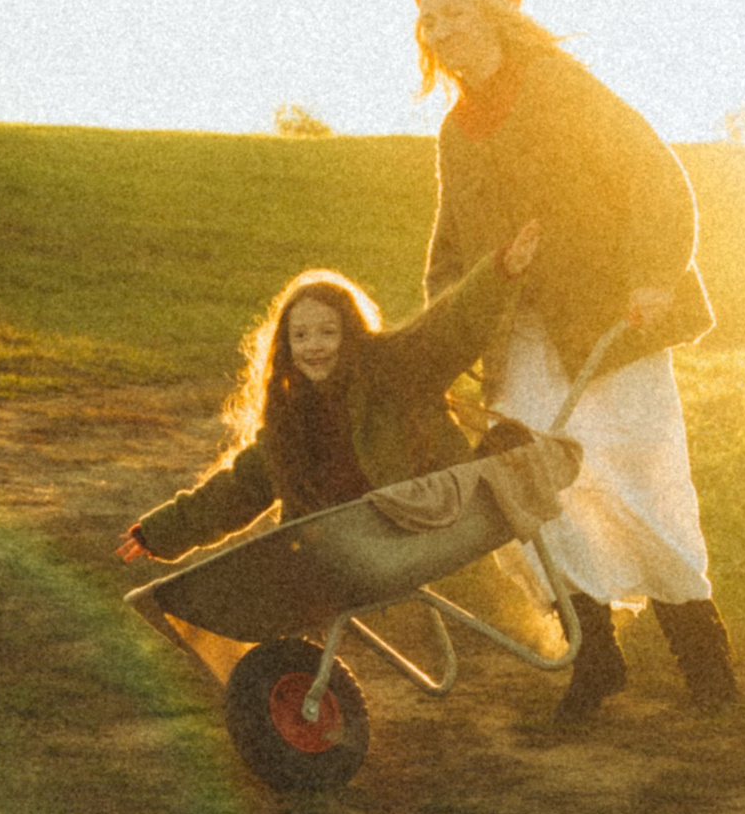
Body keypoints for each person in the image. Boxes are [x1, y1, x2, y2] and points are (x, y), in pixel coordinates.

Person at [414, 0, 736, 727]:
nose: (437, 26)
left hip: (605, 324)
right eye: (427, 15)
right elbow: (451, 246)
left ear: (495, 15)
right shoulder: (457, 130)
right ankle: (596, 657)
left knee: (636, 481)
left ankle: (706, 665)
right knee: (527, 491)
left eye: (453, 9)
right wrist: (442, 341)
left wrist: (654, 273)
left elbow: (656, 178)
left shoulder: (561, 88)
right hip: (515, 339)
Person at [119, 220, 542, 564]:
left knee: (500, 454)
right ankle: (296, 664)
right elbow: (241, 487)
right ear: (286, 347)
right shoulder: (291, 418)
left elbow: (452, 326)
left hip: (420, 521)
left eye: (327, 332)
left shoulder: (394, 369)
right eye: (300, 336)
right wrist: (160, 533)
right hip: (344, 546)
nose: (314, 346)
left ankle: (500, 461)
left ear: (350, 333)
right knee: (287, 564)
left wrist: (502, 269)